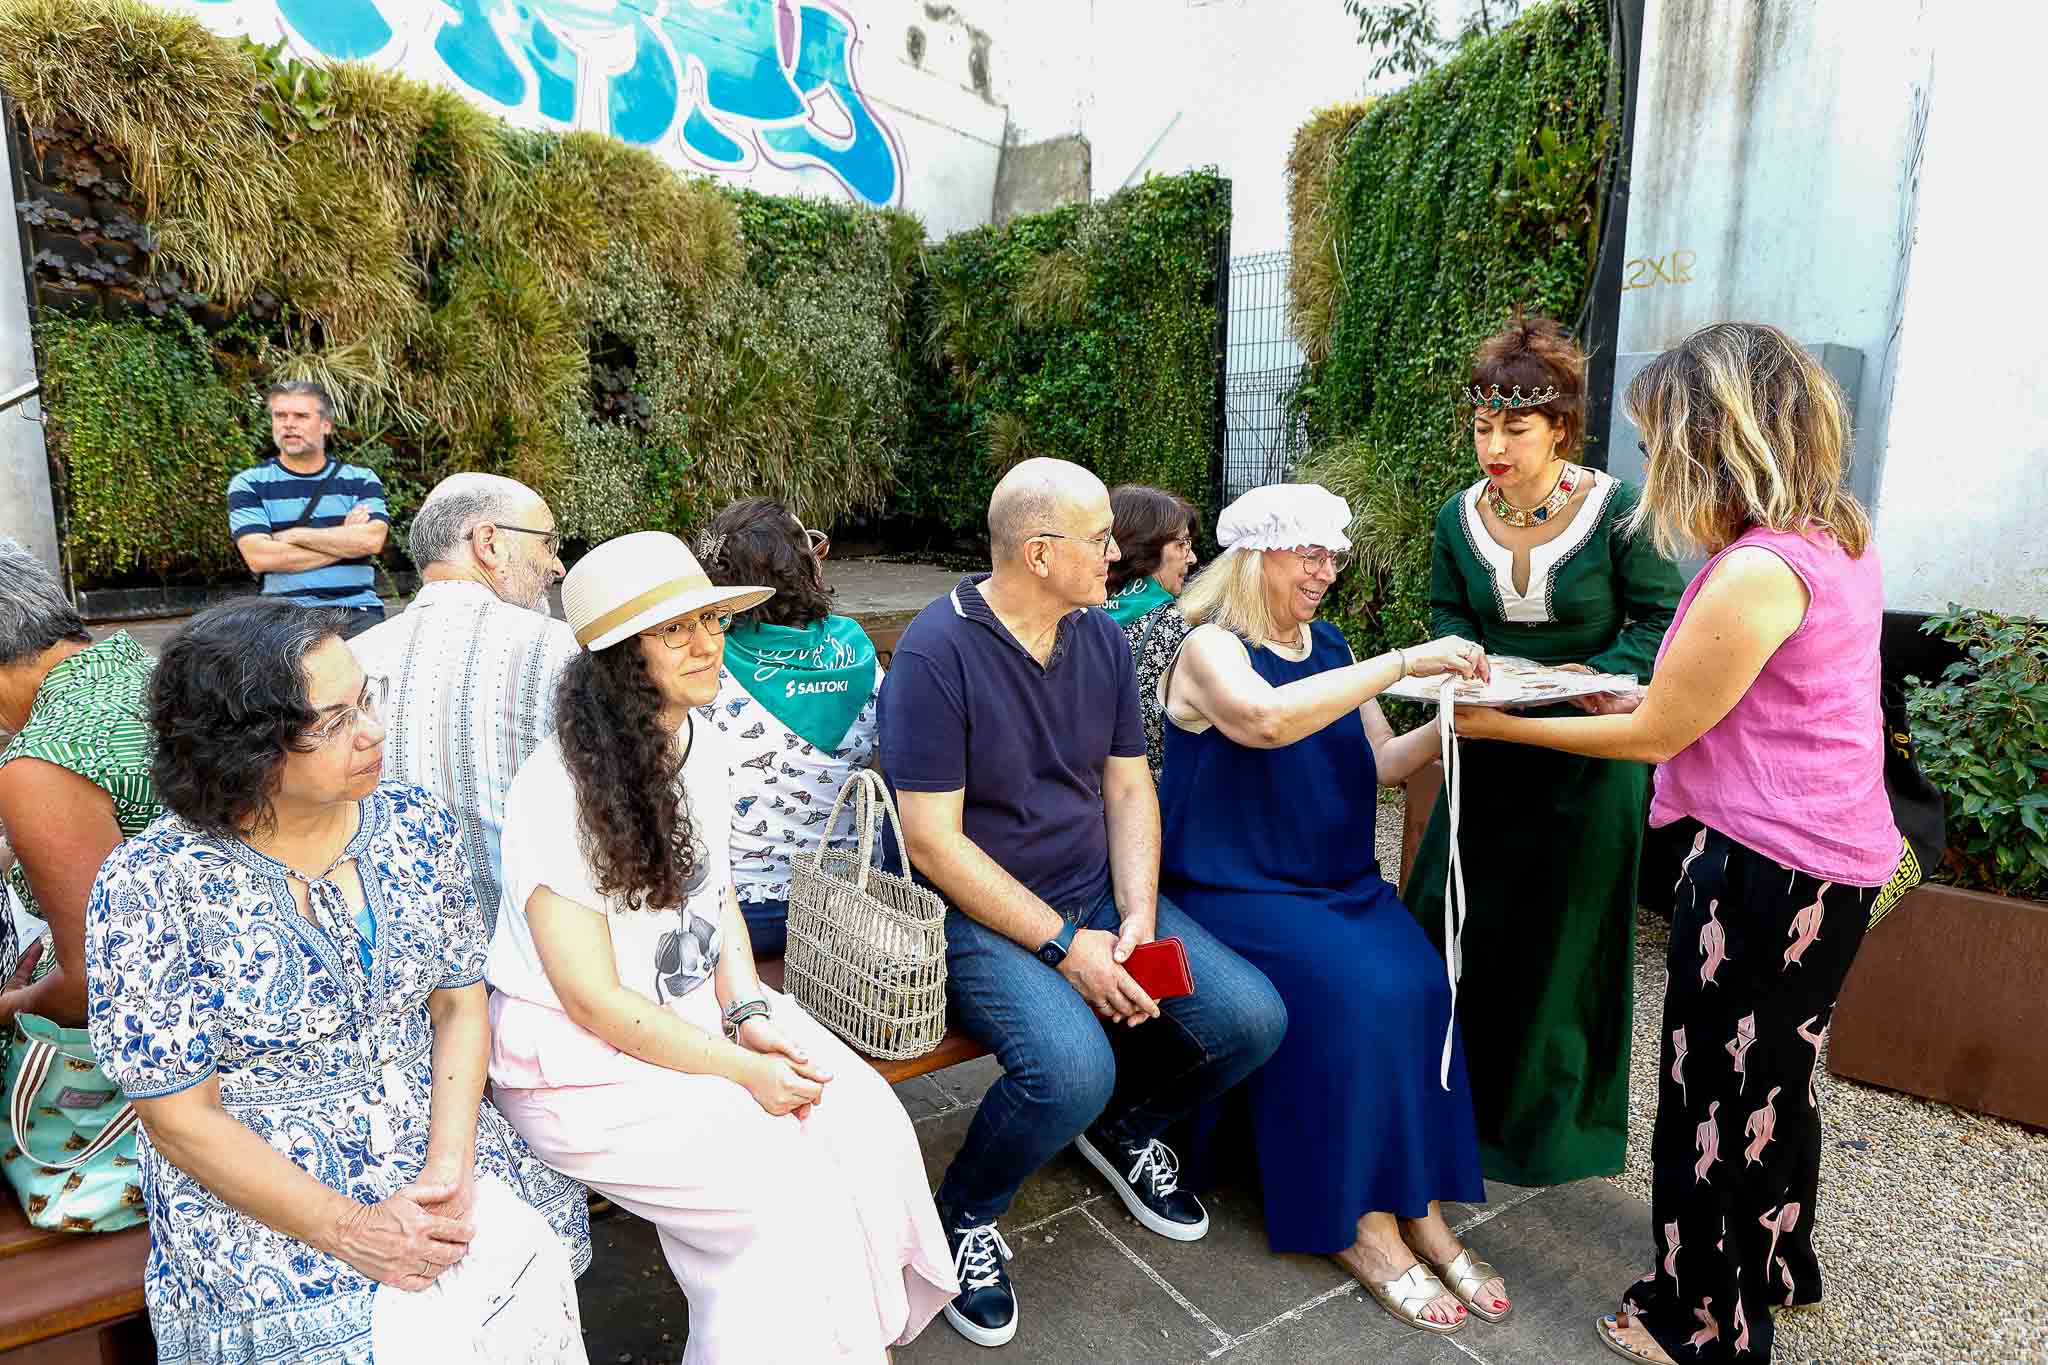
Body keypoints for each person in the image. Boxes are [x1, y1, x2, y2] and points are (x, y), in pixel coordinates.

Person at [1449, 323, 1911, 1365]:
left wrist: (1498, 722)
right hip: (1829, 860)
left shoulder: (1753, 572)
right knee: (1774, 1083)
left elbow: (1657, 731)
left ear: (1714, 438)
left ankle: (1695, 1322)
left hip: (1763, 868)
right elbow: (1729, 696)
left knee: (1711, 1097)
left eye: (1660, 442)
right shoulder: (1833, 533)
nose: (1650, 464)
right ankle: (1779, 1266)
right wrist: (1618, 687)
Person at [486, 531, 954, 1364]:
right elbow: (594, 1000)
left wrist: (747, 1010)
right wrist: (743, 1067)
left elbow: (719, 896)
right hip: (578, 1058)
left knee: (864, 1121)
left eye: (712, 618)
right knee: (776, 1191)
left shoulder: (703, 744)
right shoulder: (554, 791)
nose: (710, 642)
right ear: (620, 657)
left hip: (701, 1009)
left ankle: (843, 1339)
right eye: (677, 630)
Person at [83, 598, 591, 1365]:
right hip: (267, 1199)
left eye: (367, 697)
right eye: (332, 721)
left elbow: (457, 1006)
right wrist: (350, 1231)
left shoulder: (416, 823)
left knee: (512, 1282)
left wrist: (449, 1167)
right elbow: (181, 1119)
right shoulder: (149, 885)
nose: (372, 731)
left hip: (439, 1144)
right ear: (240, 749)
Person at [880, 457, 1288, 1348]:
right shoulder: (934, 652)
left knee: (1252, 1018)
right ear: (1037, 552)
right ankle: (961, 1217)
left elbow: (1129, 786)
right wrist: (1070, 945)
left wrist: (1135, 913)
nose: (1118, 552)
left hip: (1094, 891)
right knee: (1070, 1068)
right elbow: (932, 843)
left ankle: (1120, 1131)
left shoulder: (1097, 635)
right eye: (1100, 538)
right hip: (969, 911)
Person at [1158, 484, 1504, 1335]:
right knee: (1357, 996)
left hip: (1331, 883)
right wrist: (1404, 662)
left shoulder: (1332, 645)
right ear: (1257, 555)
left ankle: (1417, 1204)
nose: (1327, 570)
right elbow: (1266, 722)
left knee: (1421, 981)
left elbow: (1383, 759)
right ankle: (1359, 1224)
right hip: (1238, 890)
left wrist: (1468, 723)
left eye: (1332, 554)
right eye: (1308, 552)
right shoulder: (1211, 649)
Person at [1405, 315, 1686, 1187]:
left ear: (1560, 427)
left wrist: (1588, 671)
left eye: (1514, 429)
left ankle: (1546, 1135)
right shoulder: (1460, 517)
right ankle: (1440, 1108)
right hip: (1489, 750)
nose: (1493, 445)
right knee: (1457, 927)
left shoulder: (1621, 512)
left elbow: (1661, 621)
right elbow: (1448, 606)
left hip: (1589, 760)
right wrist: (1466, 658)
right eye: (1482, 427)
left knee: (1563, 947)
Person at [350, 473, 574, 930]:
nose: (557, 567)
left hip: (405, 955)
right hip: (535, 955)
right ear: (488, 544)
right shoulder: (560, 650)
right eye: (548, 543)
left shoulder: (356, 659)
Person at [694, 498, 881, 958]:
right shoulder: (860, 656)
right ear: (804, 571)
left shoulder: (702, 667)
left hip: (744, 915)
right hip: (847, 907)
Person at [0, 539, 158, 1037]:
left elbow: (98, 983)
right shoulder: (152, 671)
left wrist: (9, 1007)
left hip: (163, 1050)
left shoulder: (45, 759)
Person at [228, 381, 390, 639]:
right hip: (282, 617)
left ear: (326, 425)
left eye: (301, 416)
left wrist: (294, 535)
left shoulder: (361, 480)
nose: (288, 424)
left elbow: (371, 541)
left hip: (357, 613)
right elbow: (260, 558)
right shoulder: (249, 484)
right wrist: (345, 540)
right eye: (280, 415)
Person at [1103, 484, 1200, 778]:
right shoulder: (1180, 631)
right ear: (1144, 547)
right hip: (1149, 801)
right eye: (1182, 544)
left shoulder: (1070, 614)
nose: (1192, 558)